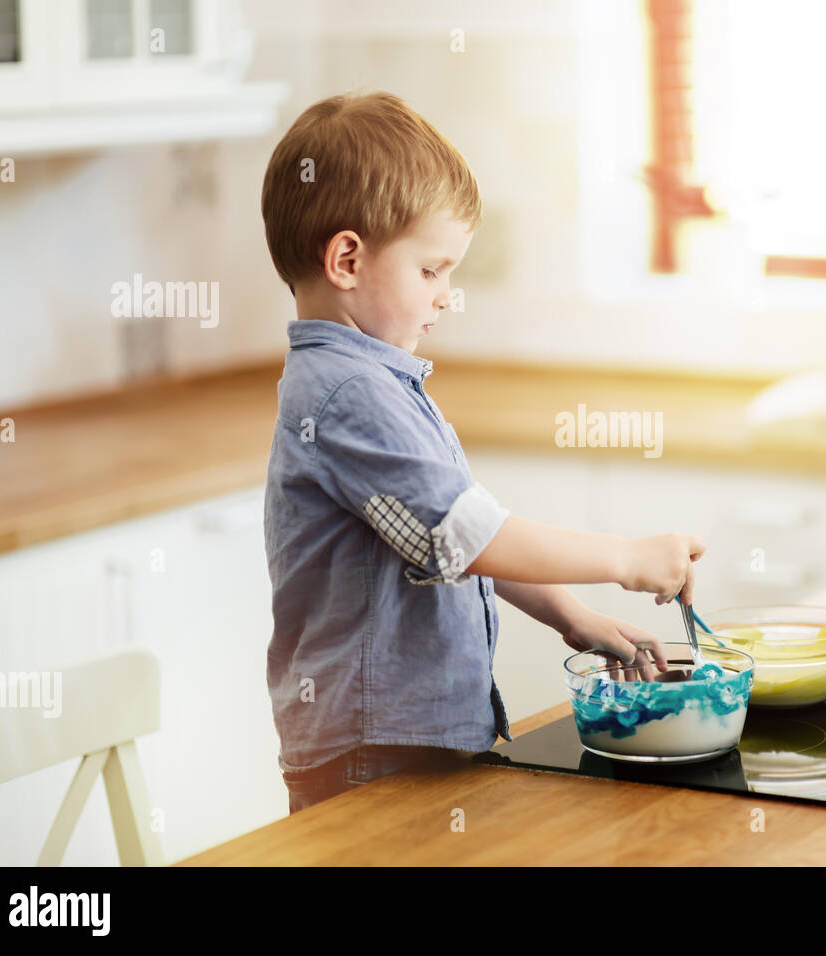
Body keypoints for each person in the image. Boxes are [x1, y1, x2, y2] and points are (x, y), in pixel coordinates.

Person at [260, 91, 705, 814]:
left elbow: (457, 538)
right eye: (432, 270)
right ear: (347, 258)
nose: (445, 295)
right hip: (373, 757)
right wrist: (625, 559)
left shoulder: (370, 380)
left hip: (402, 744)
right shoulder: (350, 395)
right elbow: (469, 538)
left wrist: (573, 618)